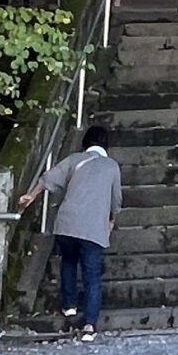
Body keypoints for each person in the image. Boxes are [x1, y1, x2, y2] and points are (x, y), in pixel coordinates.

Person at [15, 123, 121, 340]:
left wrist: (31, 196)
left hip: (68, 223)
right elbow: (116, 200)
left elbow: (48, 178)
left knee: (68, 261)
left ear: (86, 143)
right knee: (92, 276)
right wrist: (111, 220)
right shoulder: (111, 167)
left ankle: (69, 305)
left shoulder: (74, 159)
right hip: (93, 227)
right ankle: (90, 326)